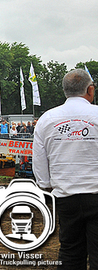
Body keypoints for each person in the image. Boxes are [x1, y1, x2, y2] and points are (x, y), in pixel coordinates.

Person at [33, 68, 98, 268]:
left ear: (65, 91)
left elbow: (39, 162)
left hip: (66, 198)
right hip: (96, 194)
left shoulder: (46, 119)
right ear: (90, 90)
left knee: (70, 253)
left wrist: (47, 186)